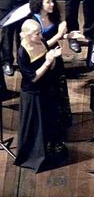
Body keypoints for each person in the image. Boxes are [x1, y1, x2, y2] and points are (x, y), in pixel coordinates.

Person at [14, 19, 67, 173]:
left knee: (48, 122)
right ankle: (34, 156)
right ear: (27, 36)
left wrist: (53, 59)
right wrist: (48, 61)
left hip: (47, 89)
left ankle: (50, 149)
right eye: (36, 34)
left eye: (39, 32)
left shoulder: (41, 40)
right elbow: (32, 78)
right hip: (33, 94)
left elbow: (50, 67)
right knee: (36, 128)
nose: (40, 35)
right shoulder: (22, 52)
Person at [29, 0, 73, 131]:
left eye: (52, 1)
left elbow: (55, 36)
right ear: (39, 4)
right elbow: (42, 45)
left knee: (59, 88)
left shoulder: (51, 16)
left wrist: (67, 35)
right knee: (49, 91)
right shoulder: (34, 22)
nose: (52, 4)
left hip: (56, 56)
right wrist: (60, 34)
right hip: (43, 59)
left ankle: (61, 120)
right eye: (48, 2)